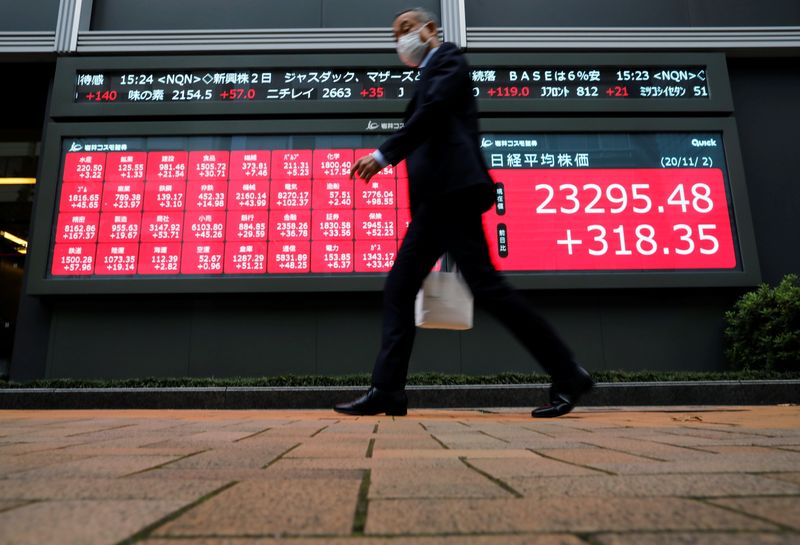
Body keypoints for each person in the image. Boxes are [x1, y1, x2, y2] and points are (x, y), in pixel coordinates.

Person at [334, 7, 593, 418]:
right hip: (438, 202)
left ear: (430, 29)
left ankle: (568, 374)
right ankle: (388, 391)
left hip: (451, 196)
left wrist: (384, 155)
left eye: (405, 29)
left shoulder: (449, 59)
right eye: (394, 35)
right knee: (407, 287)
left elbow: (432, 113)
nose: (400, 39)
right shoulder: (429, 73)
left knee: (480, 289)